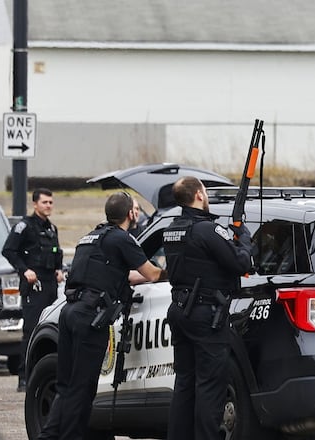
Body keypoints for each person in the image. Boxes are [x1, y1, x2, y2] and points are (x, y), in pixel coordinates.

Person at [36, 192, 165, 440]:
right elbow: (152, 274)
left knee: (66, 385)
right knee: (83, 388)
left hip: (69, 312)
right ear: (130, 214)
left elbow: (119, 274)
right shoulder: (122, 239)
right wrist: (175, 272)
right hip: (90, 318)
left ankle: (49, 436)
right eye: (135, 210)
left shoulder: (90, 237)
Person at [163, 176, 253, 440]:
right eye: (205, 191)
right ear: (199, 195)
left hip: (180, 310)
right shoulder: (206, 230)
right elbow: (241, 263)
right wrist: (244, 238)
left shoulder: (172, 229)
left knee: (185, 384)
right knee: (210, 387)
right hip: (205, 314)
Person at [2, 188, 64, 392]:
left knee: (51, 329)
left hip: (50, 285)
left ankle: (46, 374)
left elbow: (56, 253)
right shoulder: (24, 226)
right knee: (31, 331)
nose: (48, 206)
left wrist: (58, 270)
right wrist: (24, 270)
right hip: (34, 286)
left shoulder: (52, 228)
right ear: (35, 204)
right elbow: (8, 250)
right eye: (45, 202)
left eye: (51, 202)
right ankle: (24, 377)